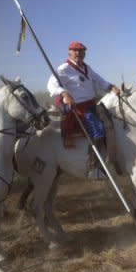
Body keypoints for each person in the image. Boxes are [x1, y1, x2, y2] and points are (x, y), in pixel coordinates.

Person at [47, 41, 121, 177]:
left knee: (114, 121)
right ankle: (93, 166)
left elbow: (100, 81)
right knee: (98, 129)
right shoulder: (63, 69)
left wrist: (111, 87)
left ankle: (112, 160)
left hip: (93, 105)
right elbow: (51, 84)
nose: (78, 53)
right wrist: (64, 93)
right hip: (79, 109)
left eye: (81, 51)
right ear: (69, 53)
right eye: (75, 51)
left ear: (84, 54)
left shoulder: (87, 68)